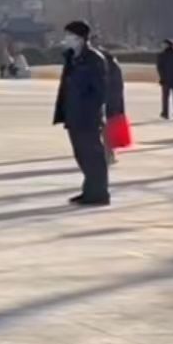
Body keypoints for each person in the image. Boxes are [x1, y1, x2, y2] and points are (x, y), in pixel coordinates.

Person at [53, 20, 110, 206]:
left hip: (87, 116)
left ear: (80, 38)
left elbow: (100, 91)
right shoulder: (72, 58)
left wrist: (91, 113)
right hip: (73, 113)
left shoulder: (94, 59)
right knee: (82, 155)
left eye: (69, 35)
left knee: (93, 155)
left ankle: (99, 194)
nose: (66, 39)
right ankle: (90, 190)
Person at [159, 38, 173, 121]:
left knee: (165, 97)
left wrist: (162, 78)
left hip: (166, 79)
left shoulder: (162, 56)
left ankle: (165, 113)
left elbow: (160, 68)